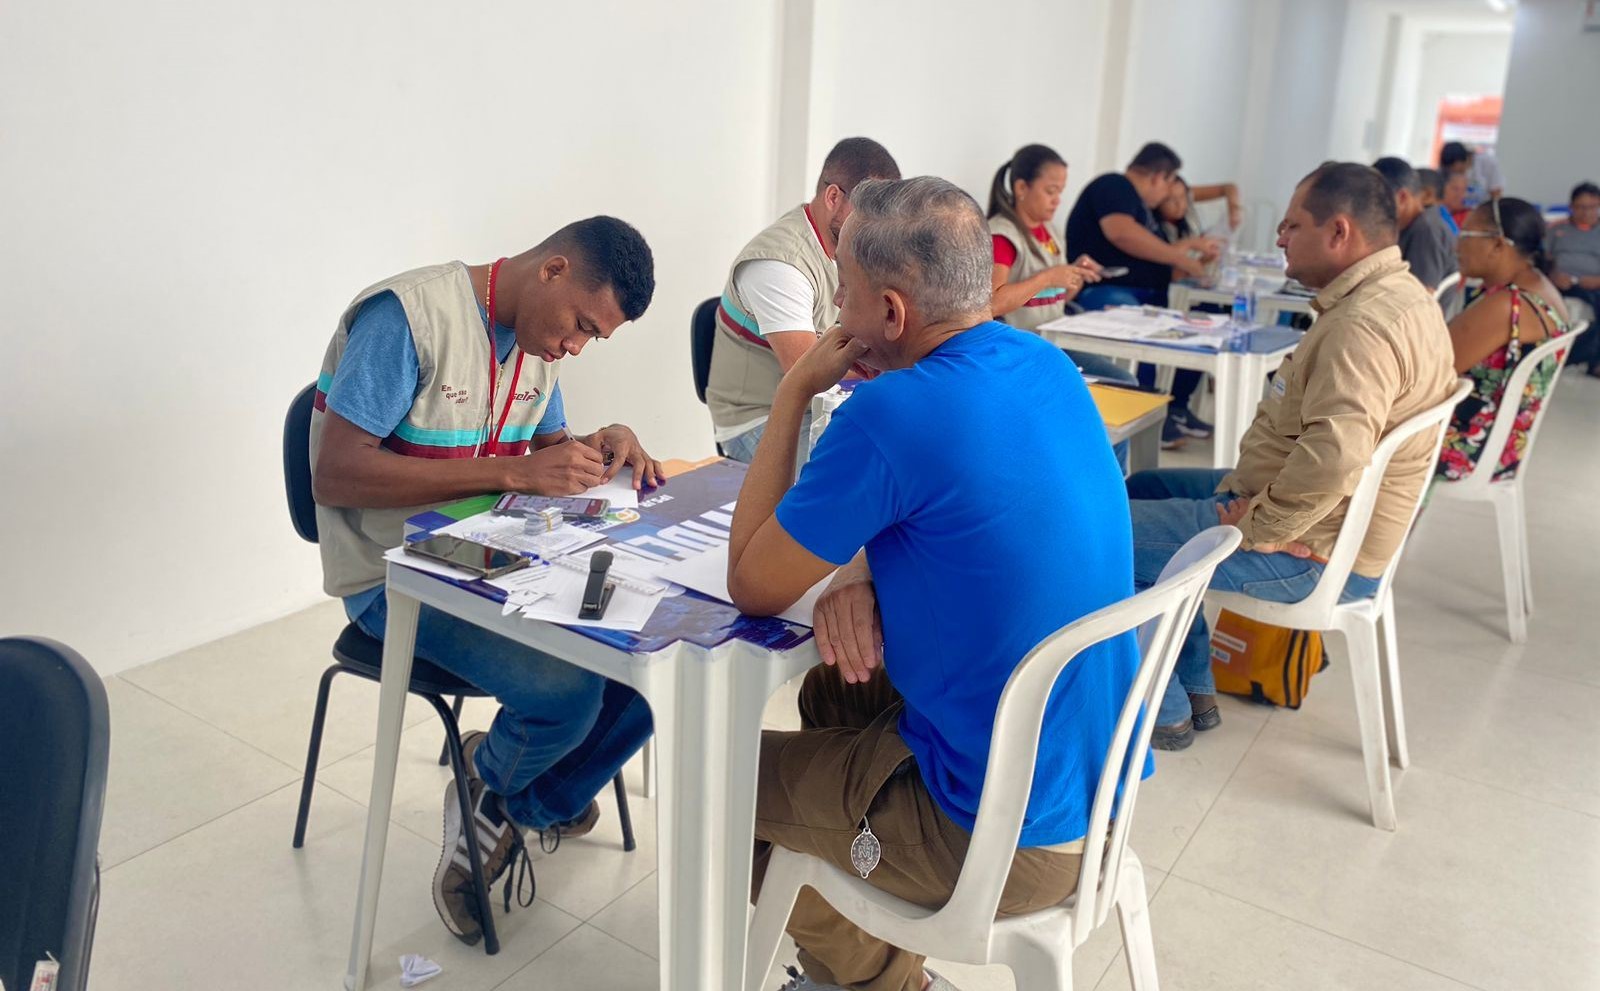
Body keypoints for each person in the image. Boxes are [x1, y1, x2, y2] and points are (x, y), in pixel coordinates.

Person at [726, 176, 1141, 991]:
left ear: (890, 312)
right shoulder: (1042, 362)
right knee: (832, 697)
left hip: (1000, 836)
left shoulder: (890, 414)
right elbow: (975, 511)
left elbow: (751, 583)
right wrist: (859, 564)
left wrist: (791, 394)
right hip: (1094, 793)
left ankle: (878, 981)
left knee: (714, 787)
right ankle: (857, 945)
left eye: (839, 292)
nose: (832, 316)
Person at [309, 217, 662, 943]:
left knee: (650, 669)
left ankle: (505, 796)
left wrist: (600, 447)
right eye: (580, 327)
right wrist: (512, 472)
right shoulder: (406, 319)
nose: (574, 347)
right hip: (394, 577)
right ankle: (514, 790)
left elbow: (548, 452)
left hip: (493, 562)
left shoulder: (537, 347)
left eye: (592, 340)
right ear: (553, 270)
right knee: (568, 694)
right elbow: (335, 472)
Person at [1124, 163, 1457, 749]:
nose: (1278, 237)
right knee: (1140, 486)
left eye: (1290, 225)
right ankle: (1196, 688)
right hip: (1331, 522)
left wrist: (1259, 528)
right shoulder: (1404, 296)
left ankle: (1164, 709)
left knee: (1095, 534)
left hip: (1318, 551)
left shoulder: (1362, 327)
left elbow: (1333, 458)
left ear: (1339, 233)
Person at [708, 138, 901, 462]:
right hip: (761, 420)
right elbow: (810, 372)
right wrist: (894, 360)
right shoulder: (779, 263)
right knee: (865, 470)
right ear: (833, 197)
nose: (878, 226)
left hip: (826, 406)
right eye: (870, 211)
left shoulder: (852, 246)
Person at [1437, 197, 1573, 482]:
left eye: (1465, 235)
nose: (1456, 245)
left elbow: (1432, 369)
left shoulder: (1508, 305)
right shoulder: (1537, 285)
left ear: (1499, 244)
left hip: (1469, 444)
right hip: (1504, 443)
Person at [1065, 141, 1221, 312]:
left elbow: (1158, 262)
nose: (1166, 195)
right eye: (1168, 186)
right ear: (1158, 178)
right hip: (1109, 291)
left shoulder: (1145, 209)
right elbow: (1121, 233)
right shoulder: (1114, 184)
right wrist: (1180, 258)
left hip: (1150, 296)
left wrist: (1197, 264)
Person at [1372, 156, 1458, 292]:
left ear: (1402, 198)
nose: (1372, 209)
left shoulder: (1426, 229)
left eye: (1377, 201)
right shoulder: (1418, 222)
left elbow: (1423, 294)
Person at [1546, 181, 1600, 376]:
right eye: (1581, 207)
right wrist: (1553, 276)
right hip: (1560, 282)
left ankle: (1593, 360)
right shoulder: (1556, 229)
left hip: (1594, 283)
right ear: (1571, 207)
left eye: (1592, 207)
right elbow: (1543, 260)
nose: (1586, 212)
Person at [1440, 140, 1504, 210]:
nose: (1454, 172)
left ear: (1465, 159)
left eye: (1457, 169)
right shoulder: (1445, 172)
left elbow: (1496, 193)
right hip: (1457, 212)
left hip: (1481, 212)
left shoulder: (1487, 163)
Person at [1417, 167, 1460, 234]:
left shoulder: (1427, 224)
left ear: (1427, 195)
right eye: (1455, 189)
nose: (1460, 195)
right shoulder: (1437, 216)